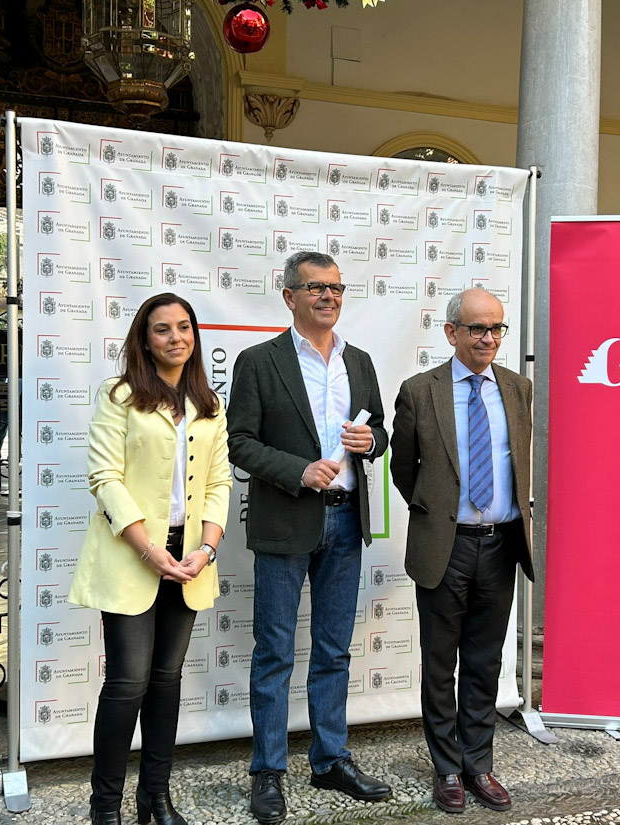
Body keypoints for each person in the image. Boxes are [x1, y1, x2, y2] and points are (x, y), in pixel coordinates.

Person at [227, 251, 392, 825]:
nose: (328, 296)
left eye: (336, 287)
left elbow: (380, 431)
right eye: (316, 287)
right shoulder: (258, 361)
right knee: (274, 651)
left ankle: (330, 760)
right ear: (289, 296)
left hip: (346, 521)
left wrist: (372, 442)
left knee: (333, 650)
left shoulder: (360, 361)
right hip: (286, 519)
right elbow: (240, 442)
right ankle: (268, 771)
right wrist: (298, 470)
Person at [69, 293, 232, 825]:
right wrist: (148, 549)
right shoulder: (119, 396)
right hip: (131, 554)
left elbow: (219, 483)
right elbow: (105, 479)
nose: (175, 337)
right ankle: (105, 809)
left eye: (184, 327)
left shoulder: (209, 404)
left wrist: (206, 549)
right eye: (162, 329)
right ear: (144, 339)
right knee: (127, 683)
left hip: (190, 560)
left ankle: (155, 799)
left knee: (166, 679)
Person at [389, 287, 533, 814]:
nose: (488, 338)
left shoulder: (518, 389)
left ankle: (479, 765)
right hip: (444, 548)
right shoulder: (419, 391)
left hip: (500, 545)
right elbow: (403, 469)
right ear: (451, 332)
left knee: (484, 661)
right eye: (477, 328)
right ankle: (447, 767)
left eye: (496, 328)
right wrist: (439, 515)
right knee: (438, 663)